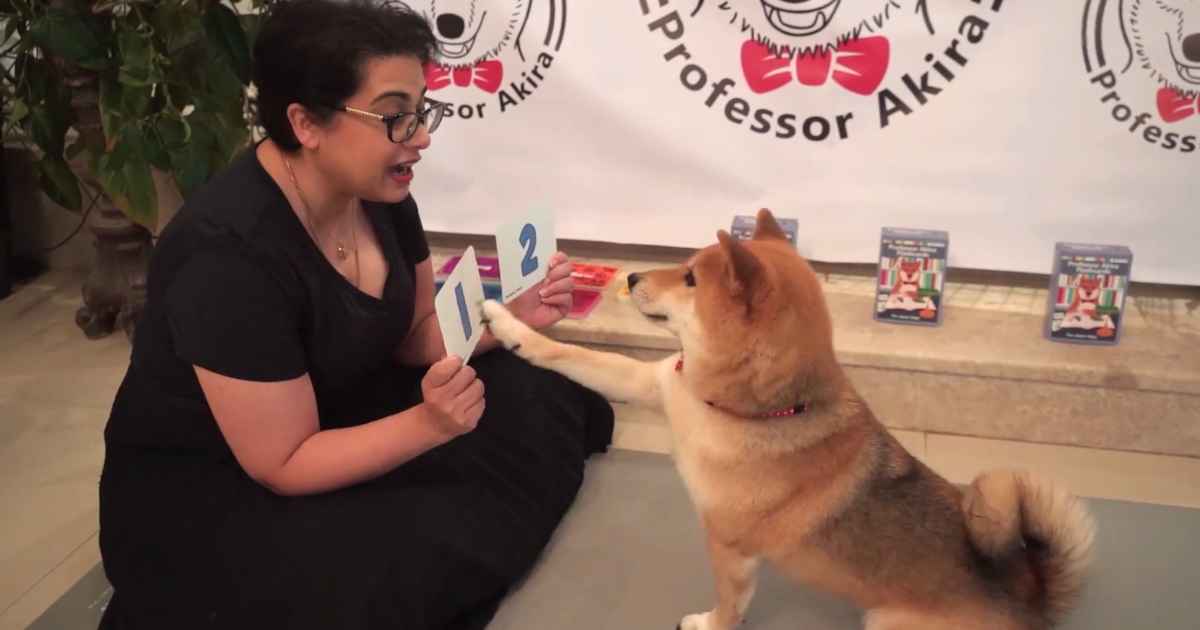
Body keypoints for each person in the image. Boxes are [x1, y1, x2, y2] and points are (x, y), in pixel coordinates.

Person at [96, 1, 613, 628]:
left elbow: (414, 337)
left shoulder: (382, 193)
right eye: (396, 117)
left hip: (337, 407)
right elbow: (283, 463)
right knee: (402, 561)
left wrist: (508, 318)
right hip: (220, 489)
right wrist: (428, 425)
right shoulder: (227, 255)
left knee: (533, 393)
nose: (420, 136)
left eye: (422, 111)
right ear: (305, 122)